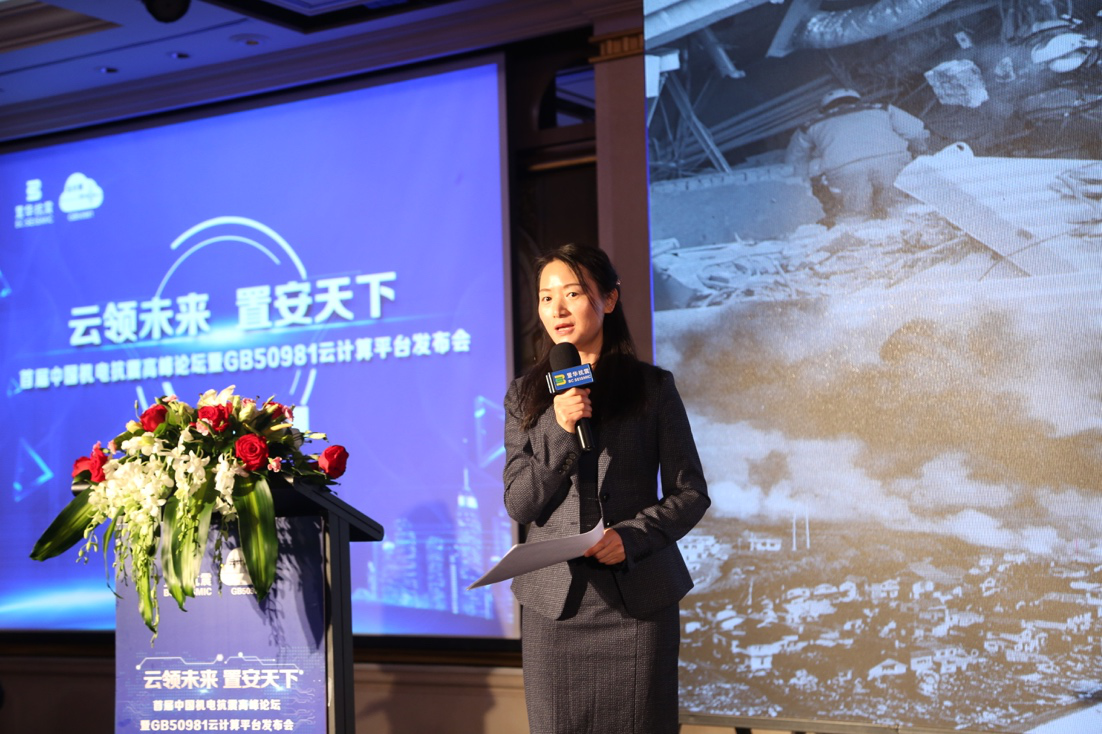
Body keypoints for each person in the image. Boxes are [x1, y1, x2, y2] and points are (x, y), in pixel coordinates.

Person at [503, 243, 710, 734]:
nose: (557, 309)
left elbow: (690, 492)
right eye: (546, 297)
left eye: (572, 294)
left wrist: (632, 537)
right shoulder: (525, 396)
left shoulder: (652, 388)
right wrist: (559, 427)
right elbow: (520, 502)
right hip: (555, 608)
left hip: (637, 604)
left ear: (609, 300)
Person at [786, 88, 930, 220]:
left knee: (857, 215)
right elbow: (916, 131)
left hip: (845, 169)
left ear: (824, 108)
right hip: (890, 160)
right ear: (857, 100)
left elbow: (795, 159)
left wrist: (805, 183)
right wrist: (919, 152)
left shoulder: (810, 124)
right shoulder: (882, 108)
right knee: (899, 208)